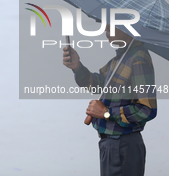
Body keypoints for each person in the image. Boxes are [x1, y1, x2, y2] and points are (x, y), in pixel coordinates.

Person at [63, 24, 157, 176]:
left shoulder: (138, 59)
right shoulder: (121, 59)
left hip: (123, 146)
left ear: (127, 28)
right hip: (112, 145)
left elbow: (147, 109)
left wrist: (106, 113)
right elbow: (99, 84)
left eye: (111, 25)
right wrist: (77, 67)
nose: (105, 29)